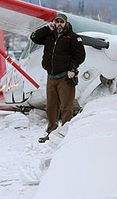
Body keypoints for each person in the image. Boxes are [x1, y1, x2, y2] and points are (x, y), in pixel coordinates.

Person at [30, 13, 86, 143]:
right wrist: (46, 28)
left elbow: (80, 55)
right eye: (57, 21)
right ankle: (51, 133)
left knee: (66, 107)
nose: (59, 24)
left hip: (65, 77)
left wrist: (72, 69)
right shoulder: (49, 35)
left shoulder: (73, 37)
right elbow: (34, 37)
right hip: (51, 76)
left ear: (66, 23)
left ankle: (65, 134)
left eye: (61, 22)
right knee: (51, 107)